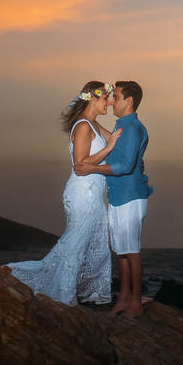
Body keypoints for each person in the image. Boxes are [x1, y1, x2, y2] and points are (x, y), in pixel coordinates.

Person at [6, 81, 121, 306]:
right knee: (76, 244)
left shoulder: (95, 125)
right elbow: (80, 163)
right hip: (81, 194)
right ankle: (64, 296)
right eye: (106, 98)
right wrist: (107, 149)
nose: (109, 102)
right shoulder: (83, 127)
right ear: (94, 99)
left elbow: (118, 139)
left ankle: (93, 292)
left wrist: (130, 122)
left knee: (95, 243)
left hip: (95, 194)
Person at [74, 79, 151, 317]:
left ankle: (136, 303)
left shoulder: (134, 128)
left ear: (129, 101)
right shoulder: (122, 127)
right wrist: (90, 115)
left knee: (131, 250)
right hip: (118, 196)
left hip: (130, 195)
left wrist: (92, 169)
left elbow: (126, 165)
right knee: (121, 250)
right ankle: (124, 298)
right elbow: (115, 145)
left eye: (116, 97)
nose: (112, 101)